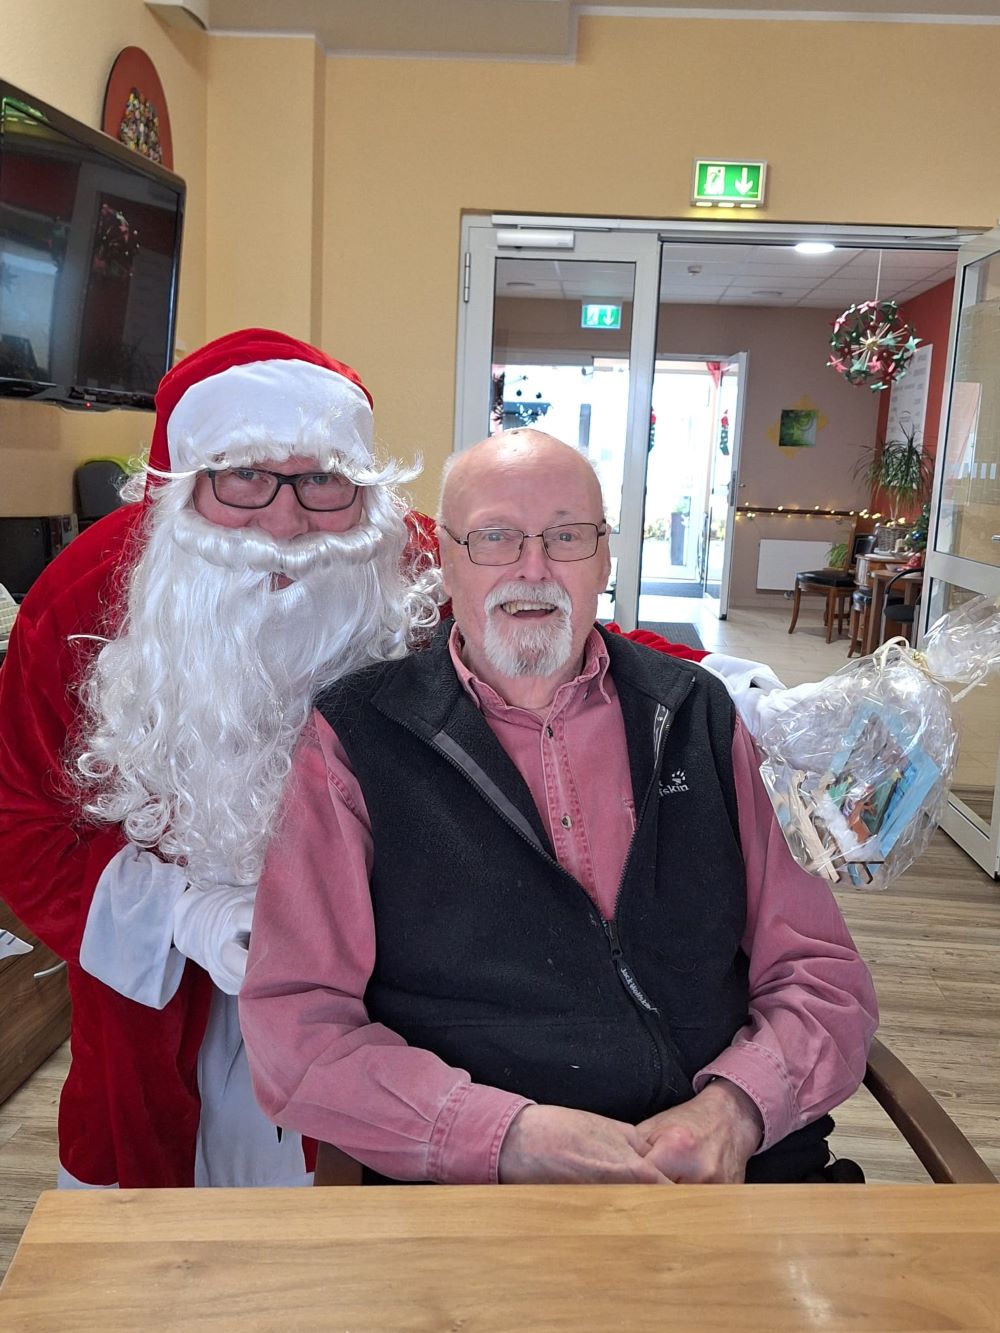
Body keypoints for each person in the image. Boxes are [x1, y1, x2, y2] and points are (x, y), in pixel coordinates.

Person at [240, 428, 879, 1186]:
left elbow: (821, 972)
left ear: (605, 559)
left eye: (567, 537)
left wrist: (738, 1108)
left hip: (726, 1181)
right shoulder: (356, 736)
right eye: (495, 537)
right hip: (473, 1204)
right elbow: (297, 1027)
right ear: (444, 559)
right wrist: (502, 1136)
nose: (533, 569)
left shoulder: (697, 715)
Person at [0, 328, 439, 1189]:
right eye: (244, 475)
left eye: (320, 478)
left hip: (380, 1008)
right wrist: (180, 913)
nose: (284, 521)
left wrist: (732, 689)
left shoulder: (407, 566)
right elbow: (20, 824)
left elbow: (559, 635)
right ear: (184, 486)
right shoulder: (85, 595)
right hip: (156, 1011)